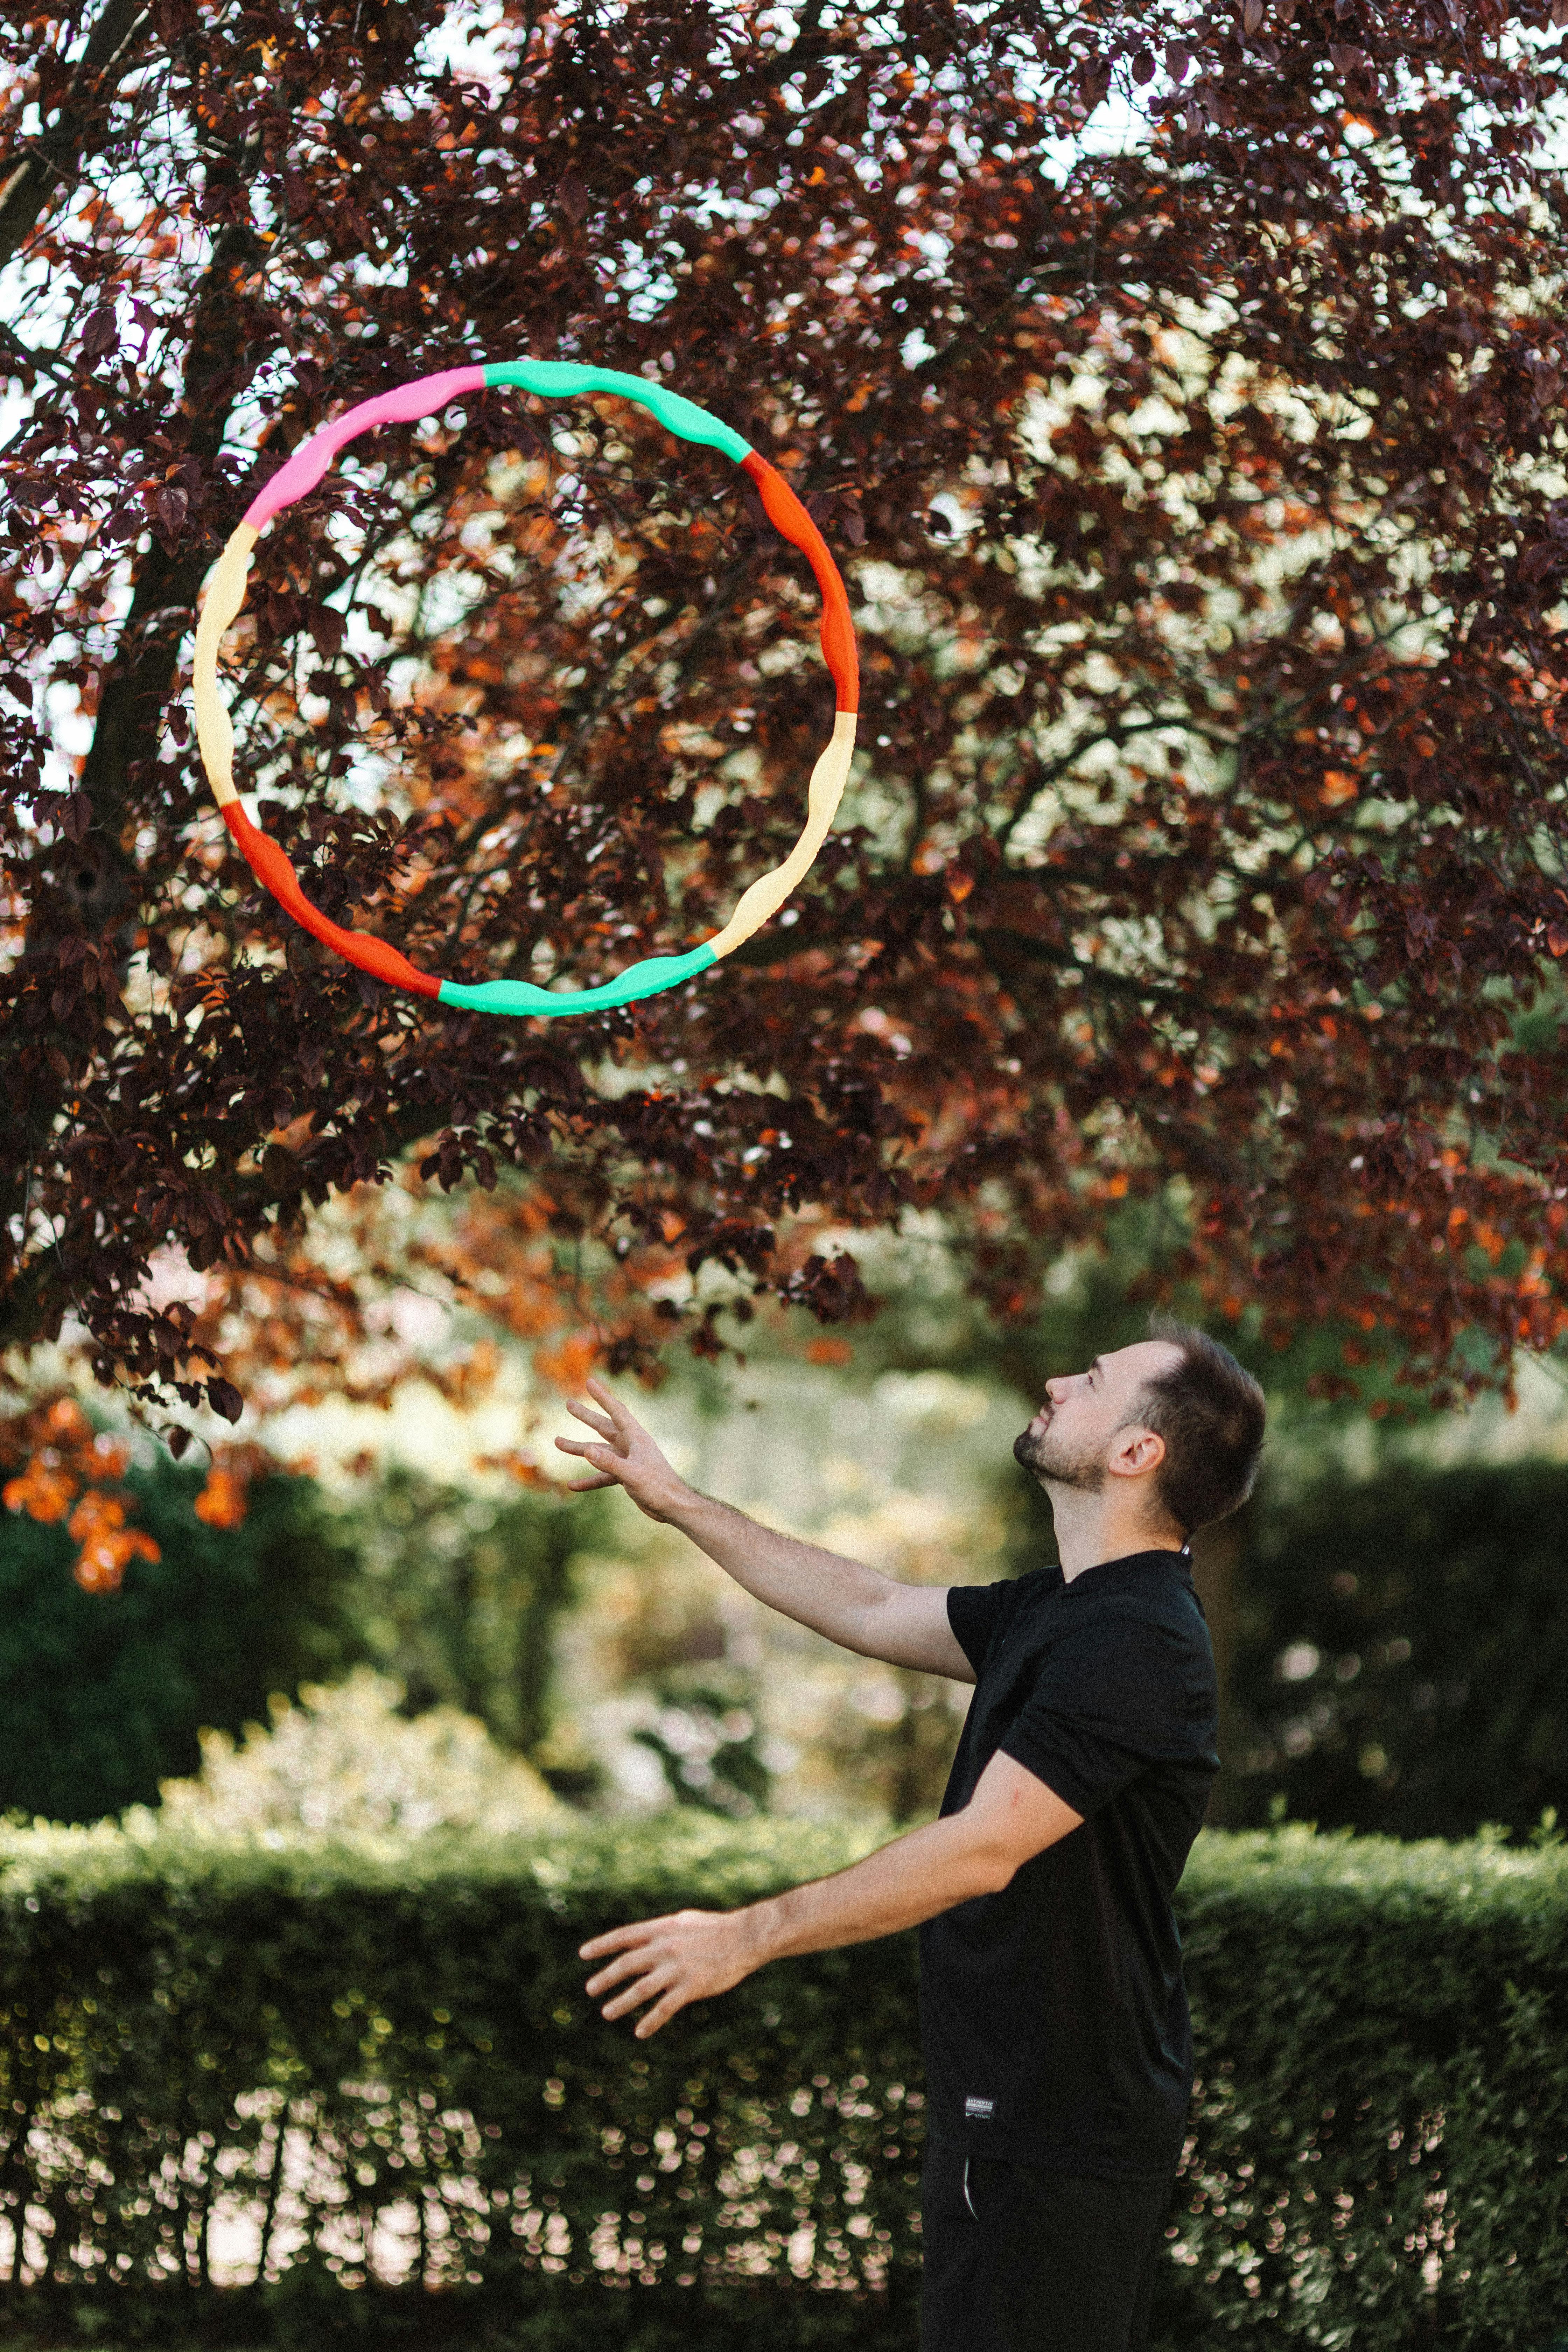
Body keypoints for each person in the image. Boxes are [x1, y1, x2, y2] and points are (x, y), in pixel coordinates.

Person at [554, 1314, 1267, 2352]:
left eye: (1097, 1378)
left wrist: (745, 1937)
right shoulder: (1064, 1609)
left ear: (1135, 1452)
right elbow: (874, 1602)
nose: (1062, 1378)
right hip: (1012, 2119)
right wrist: (678, 1504)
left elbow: (985, 1847)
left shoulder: (1138, 1641)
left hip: (1058, 2133)